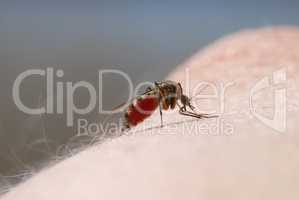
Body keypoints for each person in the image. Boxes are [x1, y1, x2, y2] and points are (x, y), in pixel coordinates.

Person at [2, 26, 299, 200]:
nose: (179, 102)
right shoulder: (163, 96)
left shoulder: (169, 93)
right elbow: (158, 99)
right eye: (178, 99)